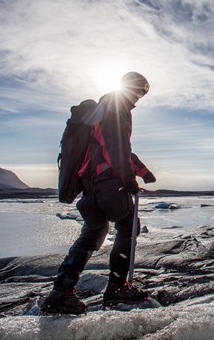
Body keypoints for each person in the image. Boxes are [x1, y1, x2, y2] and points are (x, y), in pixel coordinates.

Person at [41, 71, 156, 314]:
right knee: (127, 226)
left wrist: (142, 171)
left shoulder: (100, 111)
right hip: (107, 184)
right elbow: (117, 147)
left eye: (143, 92)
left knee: (93, 232)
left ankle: (61, 292)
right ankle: (116, 289)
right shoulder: (116, 107)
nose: (139, 95)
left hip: (90, 186)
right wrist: (127, 178)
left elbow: (109, 147)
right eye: (138, 89)